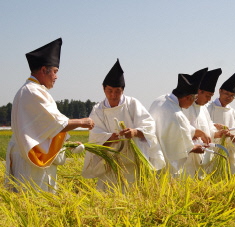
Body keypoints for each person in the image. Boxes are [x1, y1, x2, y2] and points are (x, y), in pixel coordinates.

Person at [5, 38, 94, 192]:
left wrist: (67, 146)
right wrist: (82, 122)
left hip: (27, 156)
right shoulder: (33, 91)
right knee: (35, 204)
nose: (56, 76)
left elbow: (42, 131)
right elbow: (55, 124)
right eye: (55, 71)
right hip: (31, 163)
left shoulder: (30, 90)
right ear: (43, 69)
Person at [82, 59, 165, 191]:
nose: (113, 95)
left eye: (117, 91)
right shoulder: (98, 110)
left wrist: (135, 132)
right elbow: (95, 135)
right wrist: (110, 138)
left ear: (123, 90)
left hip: (133, 161)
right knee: (109, 192)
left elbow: (149, 125)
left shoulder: (132, 104)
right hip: (110, 162)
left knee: (134, 191)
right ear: (103, 89)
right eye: (110, 91)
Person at [149, 68, 211, 176]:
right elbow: (181, 148)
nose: (193, 103)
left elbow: (181, 129)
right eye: (194, 98)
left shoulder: (161, 100)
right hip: (167, 164)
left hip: (153, 156)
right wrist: (195, 148)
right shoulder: (177, 115)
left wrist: (199, 132)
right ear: (187, 97)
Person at [182, 68, 228, 177]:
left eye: (211, 96)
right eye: (207, 96)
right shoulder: (185, 107)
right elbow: (180, 131)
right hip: (186, 161)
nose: (208, 100)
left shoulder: (203, 109)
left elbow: (208, 129)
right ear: (198, 92)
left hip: (202, 160)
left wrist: (218, 134)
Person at [206, 70, 235, 172]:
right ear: (220, 91)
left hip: (227, 152)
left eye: (232, 95)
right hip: (210, 151)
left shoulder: (233, 112)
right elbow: (203, 127)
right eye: (226, 93)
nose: (228, 97)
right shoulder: (208, 108)